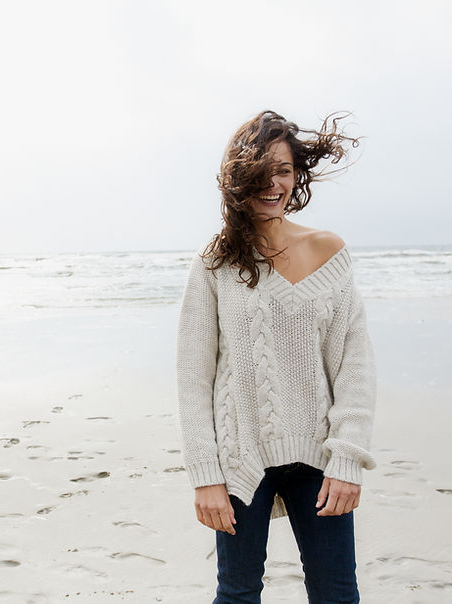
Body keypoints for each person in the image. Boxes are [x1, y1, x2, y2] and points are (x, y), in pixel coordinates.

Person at [176, 110, 377, 604]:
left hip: (319, 455)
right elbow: (193, 376)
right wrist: (206, 477)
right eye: (262, 170)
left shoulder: (329, 251)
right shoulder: (214, 264)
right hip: (240, 458)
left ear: (297, 176)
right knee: (238, 593)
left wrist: (347, 459)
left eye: (284, 170)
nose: (274, 183)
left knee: (337, 593)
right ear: (238, 176)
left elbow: (354, 364)